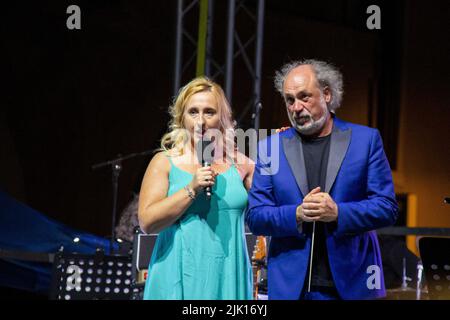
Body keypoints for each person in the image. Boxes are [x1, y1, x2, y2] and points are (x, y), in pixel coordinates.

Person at [246, 59, 398, 300]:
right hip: (291, 288)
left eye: (304, 97)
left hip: (353, 283)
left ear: (326, 94)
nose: (296, 107)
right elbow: (255, 217)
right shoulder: (270, 148)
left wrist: (338, 212)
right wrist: (296, 214)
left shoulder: (365, 140)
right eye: (289, 99)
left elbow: (387, 207)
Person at [138, 76, 254, 300]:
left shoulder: (243, 164)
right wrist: (191, 189)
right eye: (193, 112)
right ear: (182, 117)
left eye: (209, 112)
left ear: (223, 118)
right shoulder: (164, 161)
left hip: (228, 274)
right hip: (177, 273)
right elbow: (147, 222)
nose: (201, 120)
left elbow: (272, 209)